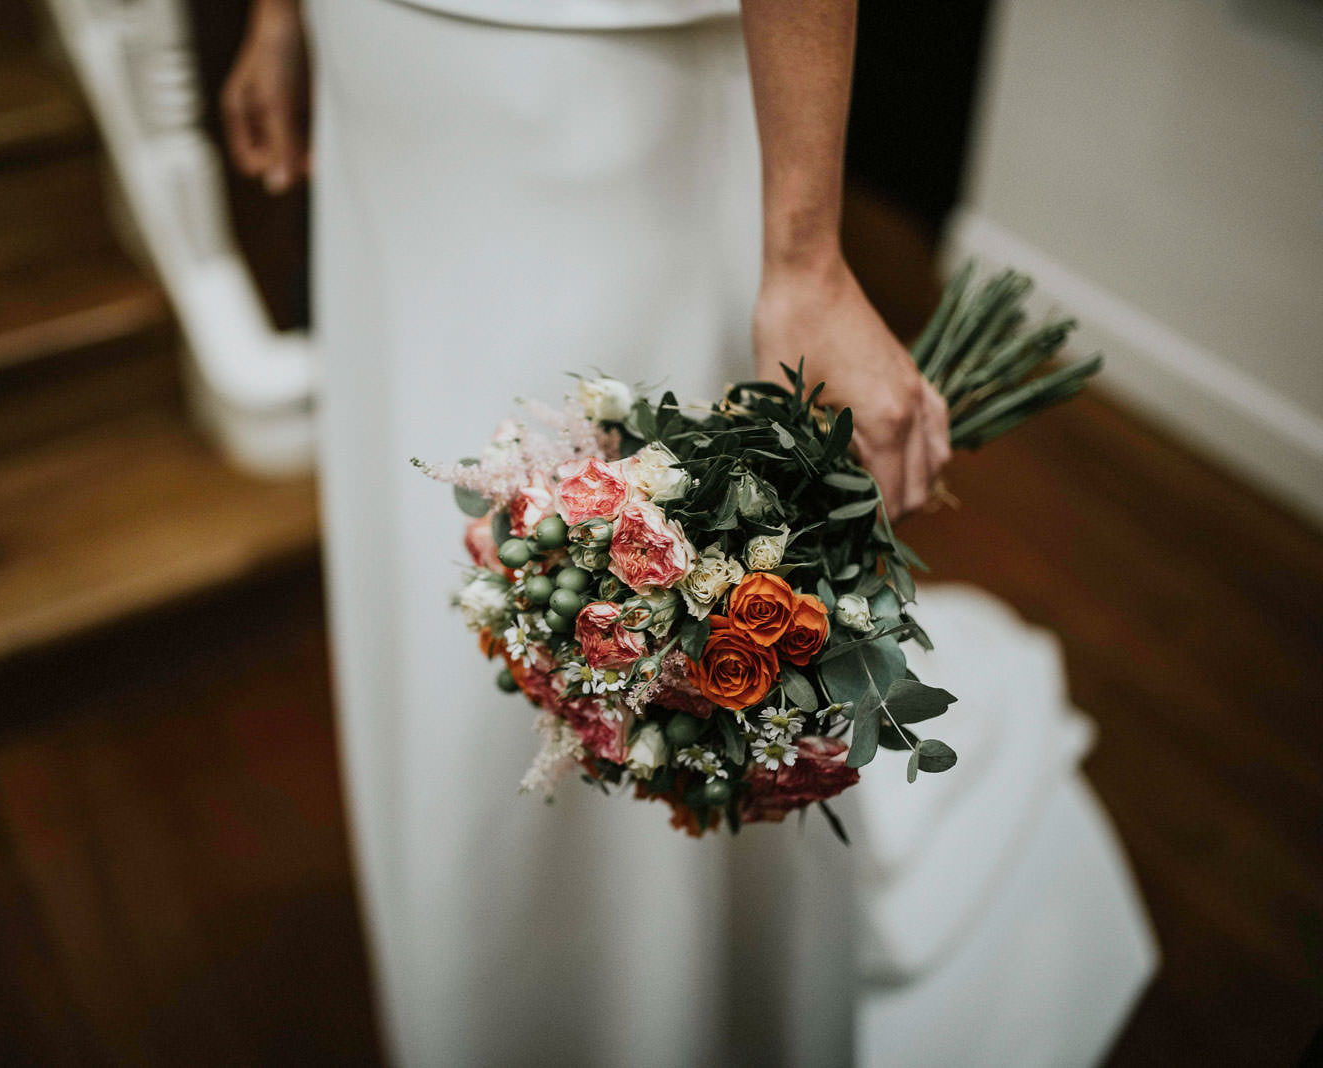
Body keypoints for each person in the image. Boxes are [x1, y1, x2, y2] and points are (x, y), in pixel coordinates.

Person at [223, 1, 1157, 1064]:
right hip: (378, 66)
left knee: (638, 568)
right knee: (425, 566)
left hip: (596, 82)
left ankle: (680, 1007)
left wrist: (804, 258)